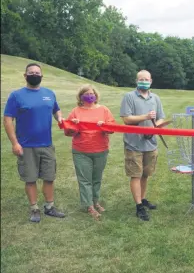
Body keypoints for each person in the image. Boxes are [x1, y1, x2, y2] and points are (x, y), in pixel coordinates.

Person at [3, 63, 65, 222]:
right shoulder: (16, 96)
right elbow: (8, 119)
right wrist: (15, 143)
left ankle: (49, 207)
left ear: (42, 76)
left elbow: (56, 109)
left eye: (37, 72)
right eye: (31, 72)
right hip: (26, 145)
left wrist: (60, 118)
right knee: (30, 179)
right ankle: (34, 208)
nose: (34, 74)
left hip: (47, 144)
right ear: (25, 75)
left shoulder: (49, 94)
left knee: (49, 177)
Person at [64, 84, 115, 220]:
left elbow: (112, 128)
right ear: (80, 97)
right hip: (81, 151)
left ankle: (95, 201)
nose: (89, 95)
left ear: (96, 95)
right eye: (86, 93)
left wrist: (104, 126)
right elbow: (67, 132)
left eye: (91, 93)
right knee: (85, 180)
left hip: (101, 150)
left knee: (96, 179)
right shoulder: (76, 111)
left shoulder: (104, 110)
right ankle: (89, 205)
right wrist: (74, 126)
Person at [120, 70, 166, 221]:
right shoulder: (129, 97)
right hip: (133, 143)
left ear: (151, 81)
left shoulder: (155, 98)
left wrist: (154, 128)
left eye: (146, 79)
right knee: (136, 174)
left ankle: (143, 198)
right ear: (136, 81)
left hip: (151, 143)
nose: (144, 81)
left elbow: (161, 119)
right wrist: (145, 117)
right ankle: (139, 206)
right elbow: (126, 119)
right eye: (141, 79)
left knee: (146, 174)